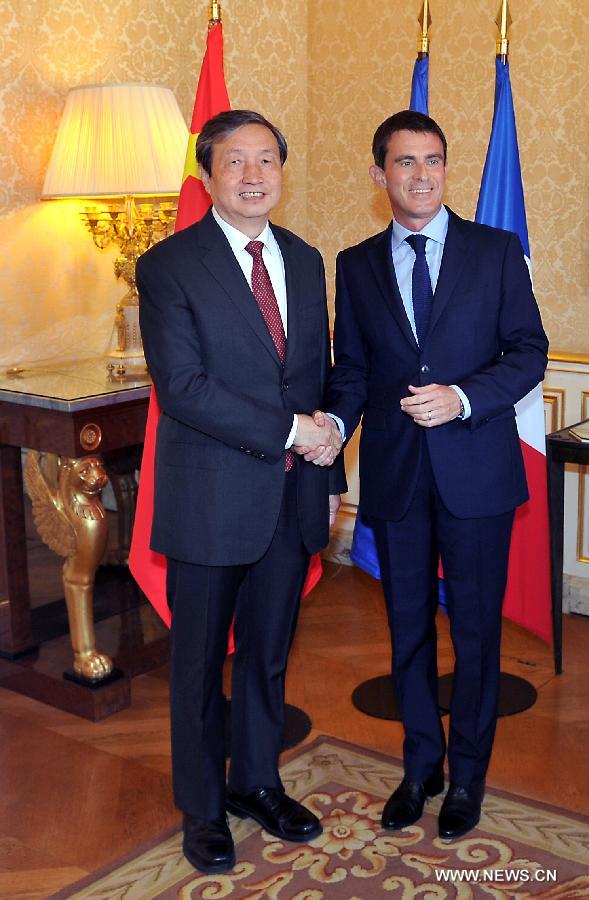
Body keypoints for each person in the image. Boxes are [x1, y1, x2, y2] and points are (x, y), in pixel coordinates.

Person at [318, 110, 548, 841]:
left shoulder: (494, 250)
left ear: (446, 169)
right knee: (406, 630)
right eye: (405, 162)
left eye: (433, 161)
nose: (421, 175)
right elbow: (351, 369)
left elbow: (527, 351)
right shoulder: (353, 265)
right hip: (395, 479)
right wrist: (331, 424)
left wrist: (463, 397)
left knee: (476, 634)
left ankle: (467, 779)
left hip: (476, 474)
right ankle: (421, 768)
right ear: (378, 174)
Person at [136, 109, 345, 874]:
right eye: (235, 162)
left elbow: (317, 380)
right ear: (206, 175)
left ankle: (257, 782)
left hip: (291, 500)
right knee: (195, 666)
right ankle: (201, 810)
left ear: (282, 172)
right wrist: (295, 433)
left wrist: (327, 476)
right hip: (210, 499)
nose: (253, 176)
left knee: (266, 657)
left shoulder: (304, 255)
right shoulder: (169, 267)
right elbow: (185, 388)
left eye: (266, 160)